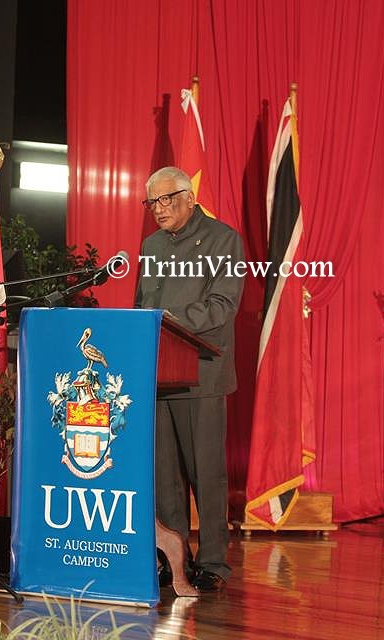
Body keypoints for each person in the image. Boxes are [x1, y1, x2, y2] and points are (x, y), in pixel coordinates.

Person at [135, 167, 245, 592]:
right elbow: (142, 305)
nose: (159, 209)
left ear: (189, 197)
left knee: (206, 473)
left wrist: (168, 321)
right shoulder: (151, 245)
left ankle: (214, 562)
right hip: (159, 376)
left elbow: (222, 305)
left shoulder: (223, 239)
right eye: (153, 203)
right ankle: (174, 557)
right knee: (164, 476)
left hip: (201, 374)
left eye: (167, 200)